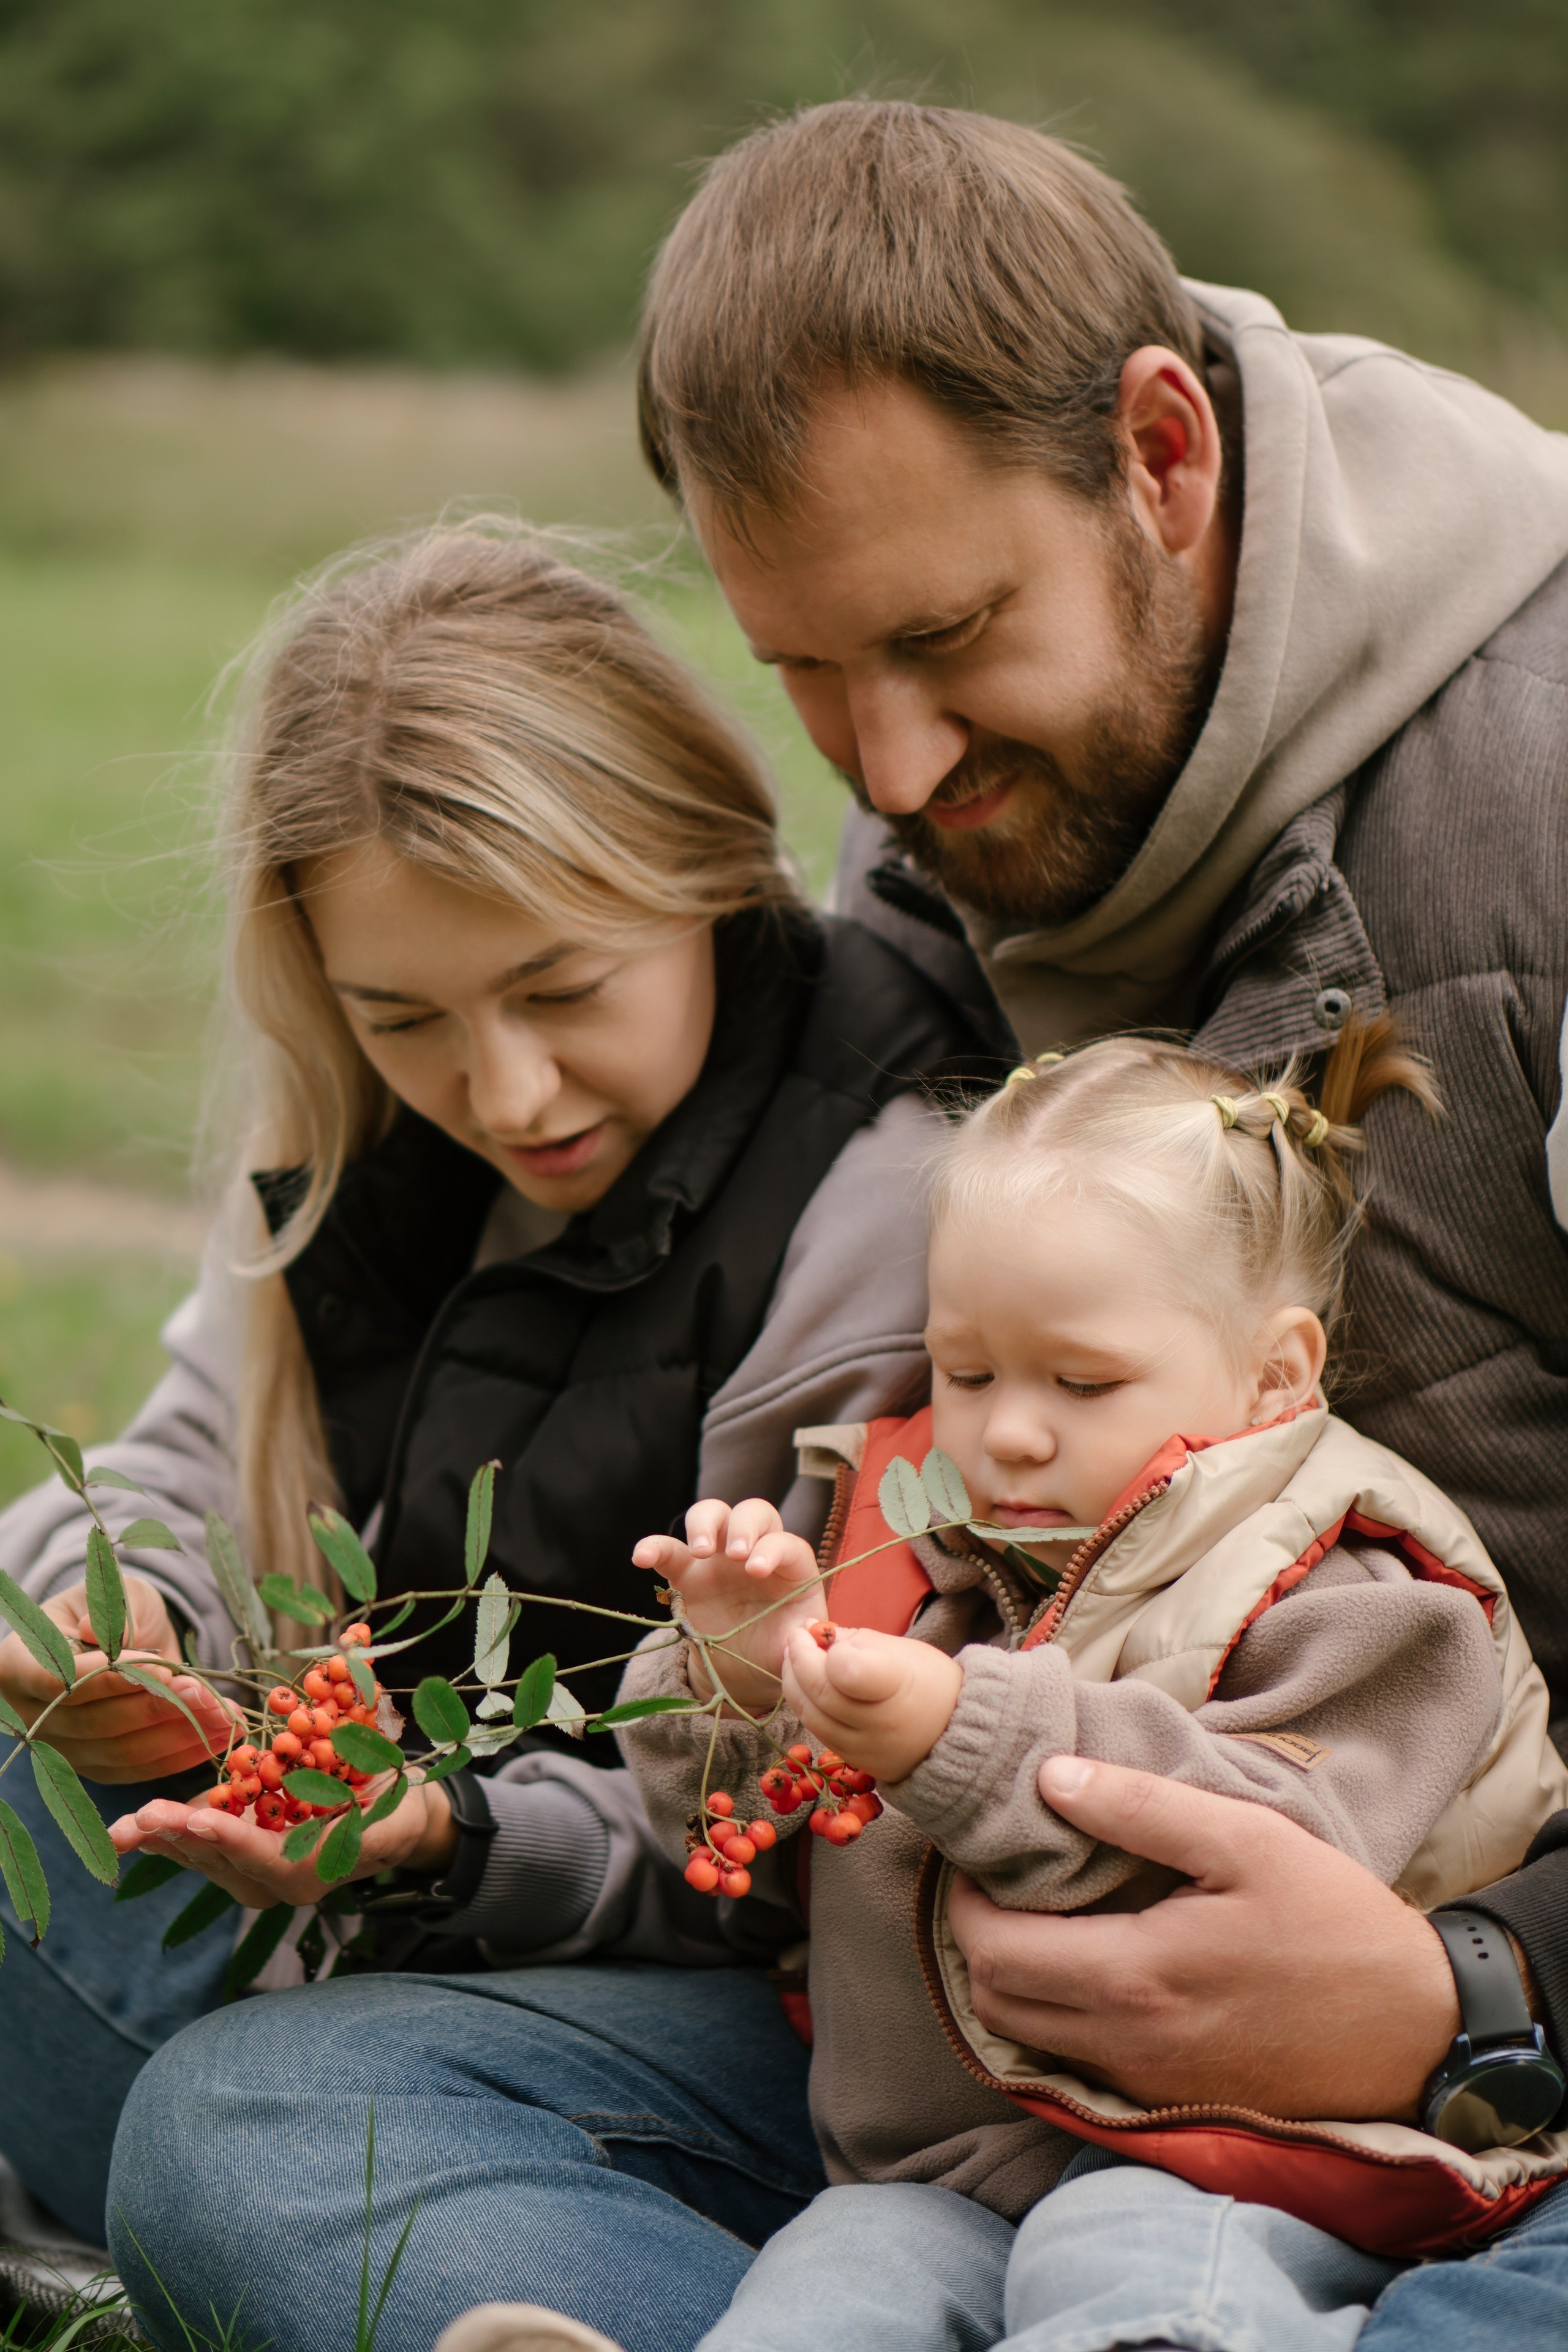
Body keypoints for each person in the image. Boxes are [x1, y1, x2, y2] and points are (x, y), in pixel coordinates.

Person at [622, 95, 1568, 2347]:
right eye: (809, 674)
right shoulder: (941, 832)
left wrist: (1473, 1985)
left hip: (1475, 2081)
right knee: (274, 2120)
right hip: (972, 2089)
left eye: (947, 639)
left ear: (1163, 456)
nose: (894, 771)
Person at [0, 517, 987, 2340]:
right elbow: (167, 1466)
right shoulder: (354, 1147)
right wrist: (119, 1626)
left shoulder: (882, 1199)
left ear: (706, 871)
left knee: (245, 2135)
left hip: (731, 2024)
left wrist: (441, 1834)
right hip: (371, 1929)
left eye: (559, 989)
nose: (505, 1091)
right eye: (407, 1019)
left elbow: (772, 1836)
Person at [609, 1028, 1565, 2352]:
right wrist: (738, 1677)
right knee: (826, 2288)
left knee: (1122, 2268)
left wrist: (963, 1736)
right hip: (944, 2165)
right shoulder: (916, 1544)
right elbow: (743, 1864)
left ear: (1272, 1375)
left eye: (1080, 1381)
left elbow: (1274, 1864)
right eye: (965, 1371)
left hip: (1246, 2144)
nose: (1005, 1429)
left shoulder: (1363, 1593)